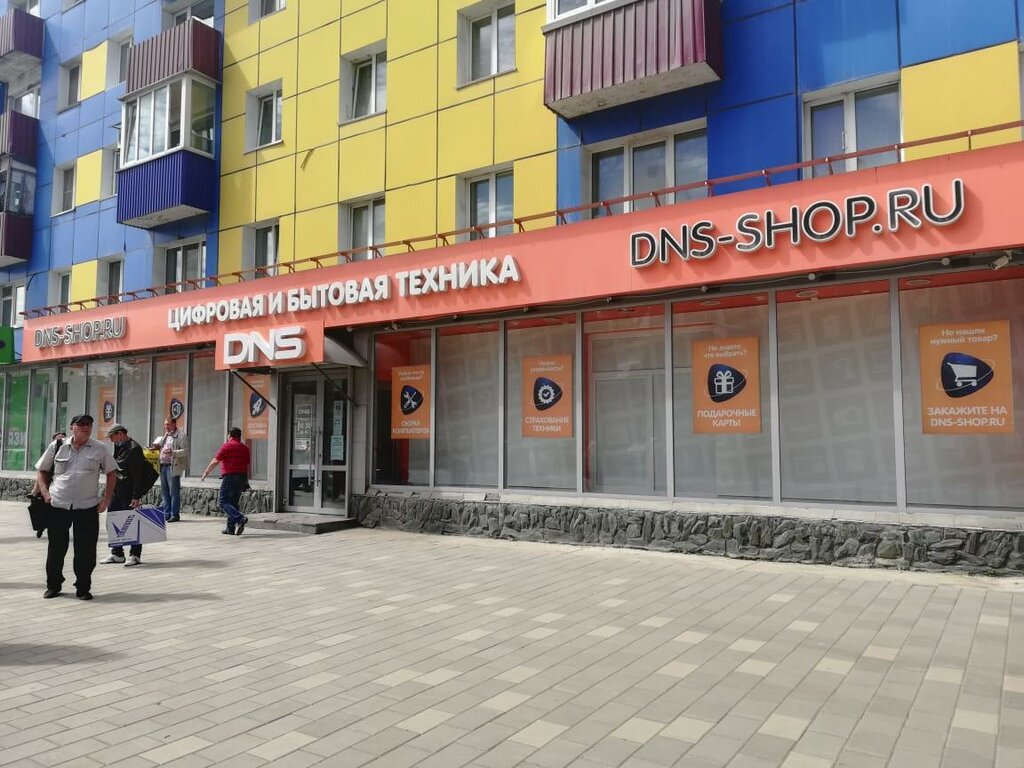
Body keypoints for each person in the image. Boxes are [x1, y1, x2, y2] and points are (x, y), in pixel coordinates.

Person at [35, 414, 117, 600]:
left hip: (87, 507)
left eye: (88, 425)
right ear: (72, 427)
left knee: (85, 550)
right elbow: (41, 470)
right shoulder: (57, 446)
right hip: (58, 505)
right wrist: (45, 493)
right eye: (81, 425)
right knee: (56, 548)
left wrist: (106, 499)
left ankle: (83, 587)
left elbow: (111, 473)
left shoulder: (100, 448)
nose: (85, 428)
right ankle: (53, 586)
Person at [101, 424, 159, 567]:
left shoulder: (134, 449)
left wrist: (136, 496)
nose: (112, 441)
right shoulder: (120, 447)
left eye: (113, 437)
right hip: (117, 490)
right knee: (113, 520)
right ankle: (117, 553)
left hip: (129, 492)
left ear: (120, 434)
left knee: (133, 522)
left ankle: (135, 554)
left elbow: (137, 475)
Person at [200, 427, 251, 536]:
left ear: (230, 436)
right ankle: (230, 528)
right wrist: (246, 482)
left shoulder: (227, 446)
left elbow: (216, 460)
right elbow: (246, 466)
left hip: (230, 477)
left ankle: (240, 518)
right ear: (239, 436)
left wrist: (206, 472)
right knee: (233, 503)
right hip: (241, 478)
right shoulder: (245, 448)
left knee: (223, 502)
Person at [27, 431, 66, 538]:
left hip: (59, 487)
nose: (61, 440)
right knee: (43, 507)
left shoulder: (68, 450)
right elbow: (41, 471)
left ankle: (51, 526)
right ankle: (41, 527)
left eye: (63, 438)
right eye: (58, 438)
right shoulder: (52, 450)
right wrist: (39, 490)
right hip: (48, 483)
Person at [151, 417, 188, 522]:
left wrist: (173, 453)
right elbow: (162, 446)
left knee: (173, 491)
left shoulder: (181, 435)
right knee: (165, 491)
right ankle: (166, 513)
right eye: (165, 424)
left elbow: (185, 451)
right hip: (163, 465)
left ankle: (174, 515)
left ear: (174, 424)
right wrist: (156, 448)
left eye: (168, 424)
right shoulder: (166, 435)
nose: (166, 426)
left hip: (172, 466)